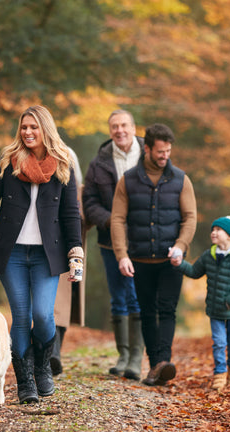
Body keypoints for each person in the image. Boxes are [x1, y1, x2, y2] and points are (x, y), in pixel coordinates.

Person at [0, 105, 83, 404]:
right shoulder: (9, 162)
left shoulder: (63, 164)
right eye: (24, 127)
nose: (28, 132)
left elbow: (71, 214)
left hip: (48, 254)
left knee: (43, 315)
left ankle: (42, 368)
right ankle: (24, 382)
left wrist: (76, 253)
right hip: (13, 254)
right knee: (21, 317)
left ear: (46, 129)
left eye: (34, 127)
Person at [110, 123, 197, 387]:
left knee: (167, 310)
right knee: (147, 312)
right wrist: (121, 255)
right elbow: (117, 219)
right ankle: (158, 365)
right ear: (147, 148)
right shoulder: (128, 180)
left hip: (172, 261)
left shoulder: (181, 179)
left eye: (168, 151)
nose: (165, 156)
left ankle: (162, 362)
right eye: (160, 151)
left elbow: (190, 217)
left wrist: (181, 246)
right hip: (140, 260)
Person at [82, 110, 144, 380]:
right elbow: (89, 202)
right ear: (110, 131)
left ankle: (137, 357)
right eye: (114, 126)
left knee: (137, 295)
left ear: (133, 128)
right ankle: (123, 354)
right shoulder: (99, 163)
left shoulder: (149, 156)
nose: (120, 130)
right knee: (118, 296)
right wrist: (111, 221)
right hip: (109, 241)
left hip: (143, 241)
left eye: (124, 125)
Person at [171, 212, 230, 390]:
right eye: (212, 229)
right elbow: (194, 272)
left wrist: (229, 301)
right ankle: (220, 375)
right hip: (215, 310)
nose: (213, 232)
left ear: (229, 235)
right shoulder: (209, 255)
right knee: (219, 343)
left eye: (218, 230)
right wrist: (179, 264)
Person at [50, 146, 86, 376]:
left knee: (61, 304)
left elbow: (83, 216)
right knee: (49, 304)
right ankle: (48, 353)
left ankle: (54, 353)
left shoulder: (78, 190)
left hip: (70, 250)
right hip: (45, 248)